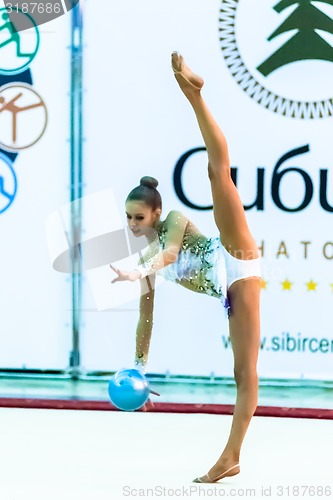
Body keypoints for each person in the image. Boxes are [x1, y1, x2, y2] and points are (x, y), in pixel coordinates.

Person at [110, 52, 261, 483]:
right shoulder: (144, 260)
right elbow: (147, 315)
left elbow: (172, 255)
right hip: (229, 292)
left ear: (155, 214)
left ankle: (195, 96)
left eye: (138, 217)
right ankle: (232, 457)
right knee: (241, 373)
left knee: (218, 176)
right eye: (128, 218)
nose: (132, 224)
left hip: (236, 256)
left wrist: (139, 272)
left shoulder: (173, 222)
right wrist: (138, 365)